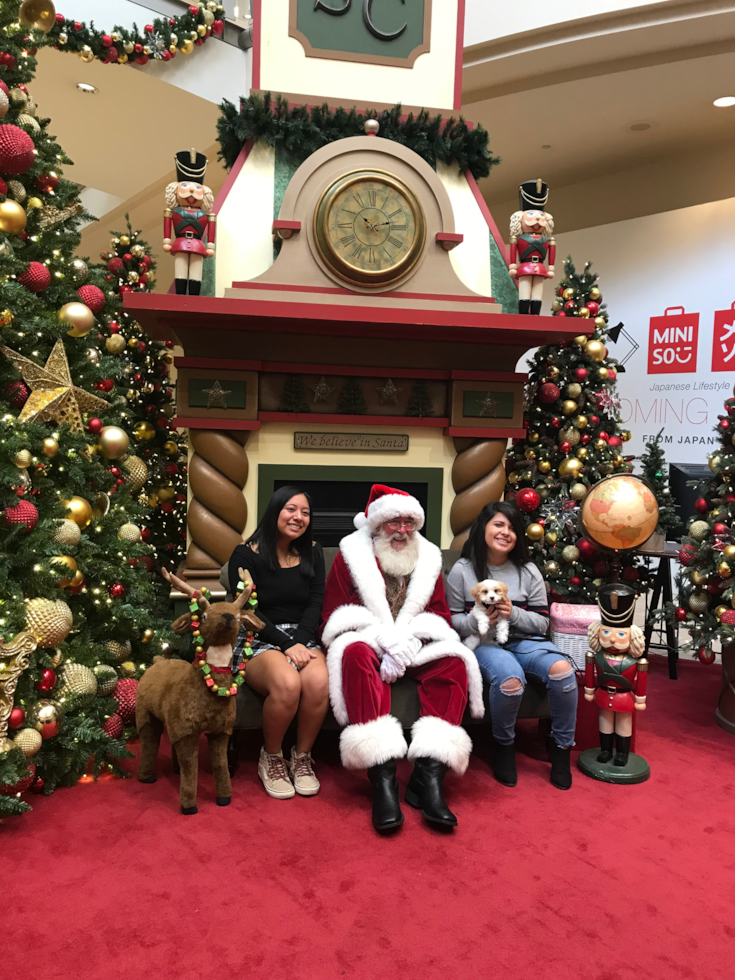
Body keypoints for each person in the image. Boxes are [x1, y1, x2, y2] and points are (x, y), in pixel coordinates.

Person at [320, 484, 484, 833]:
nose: (402, 530)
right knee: (352, 653)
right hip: (369, 639)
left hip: (413, 643)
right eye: (394, 522)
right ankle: (384, 779)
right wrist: (381, 637)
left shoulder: (428, 558)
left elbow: (439, 613)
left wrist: (409, 639)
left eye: (409, 522)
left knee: (454, 662)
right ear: (377, 525)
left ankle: (429, 777)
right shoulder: (349, 555)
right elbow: (334, 615)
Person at [446, 501, 577, 790]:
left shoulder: (528, 571)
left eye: (512, 528)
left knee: (563, 672)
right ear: (483, 528)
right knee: (509, 680)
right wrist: (476, 621)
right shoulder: (463, 570)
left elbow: (543, 623)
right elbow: (451, 620)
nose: (506, 532)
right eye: (498, 524)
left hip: (527, 642)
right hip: (484, 642)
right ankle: (503, 745)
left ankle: (561, 748)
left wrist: (512, 613)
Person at [228, 486, 328, 799]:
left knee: (319, 682)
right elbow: (248, 610)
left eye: (305, 512)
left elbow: (315, 602)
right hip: (258, 635)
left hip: (302, 636)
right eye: (291, 509)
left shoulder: (313, 550)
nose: (298, 517)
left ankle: (301, 758)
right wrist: (285, 645)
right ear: (275, 511)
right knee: (287, 684)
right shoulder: (245, 554)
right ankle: (271, 757)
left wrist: (299, 641)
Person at [508, 178, 555, 315]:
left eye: (541, 215)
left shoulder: (547, 239)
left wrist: (551, 268)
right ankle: (523, 314)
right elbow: (513, 250)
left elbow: (552, 251)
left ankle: (535, 314)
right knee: (524, 291)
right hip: (525, 266)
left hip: (540, 267)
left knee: (537, 293)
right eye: (531, 214)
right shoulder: (518, 238)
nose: (537, 218)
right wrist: (513, 266)